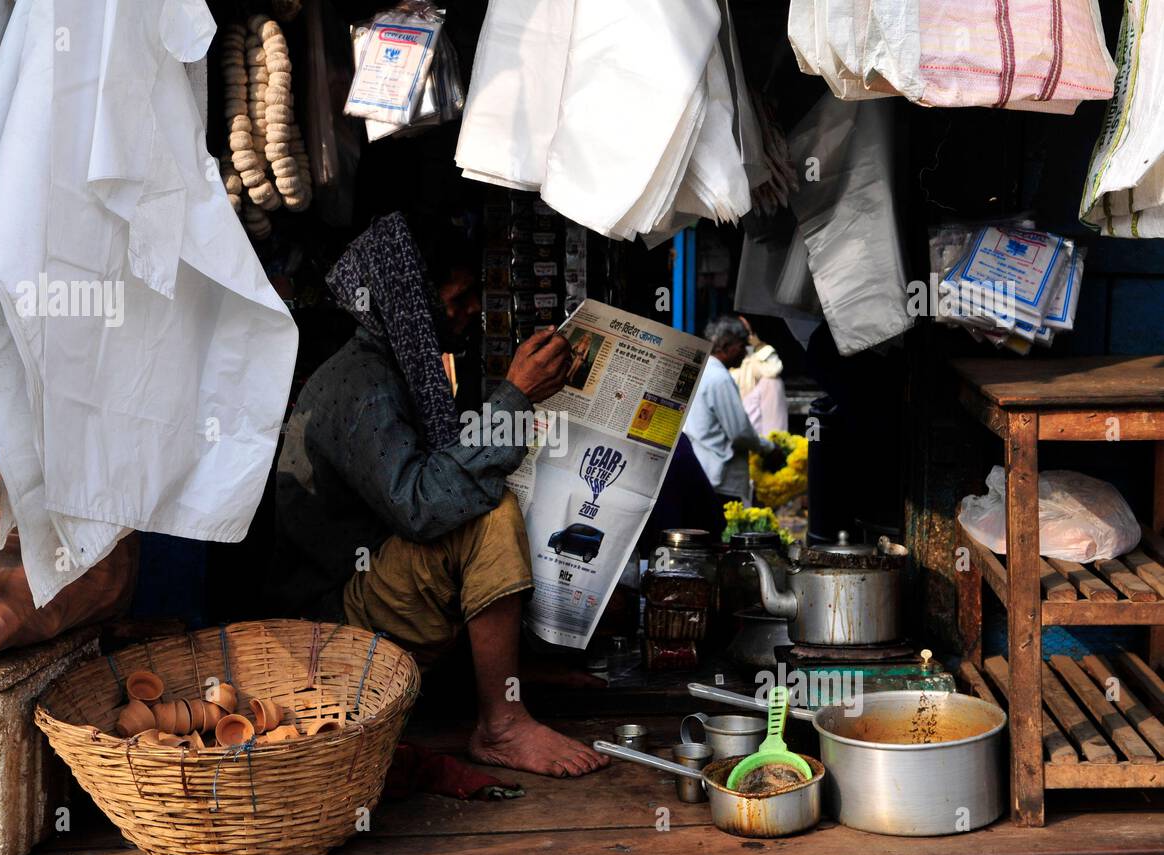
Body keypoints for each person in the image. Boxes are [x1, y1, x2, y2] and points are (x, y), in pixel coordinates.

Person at [268, 213, 610, 779]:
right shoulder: (361, 382)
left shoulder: (399, 369)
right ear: (414, 304)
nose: (473, 309)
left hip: (371, 585)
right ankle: (500, 723)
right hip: (329, 625)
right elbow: (423, 507)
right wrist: (517, 395)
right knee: (489, 512)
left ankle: (504, 673)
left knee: (489, 495)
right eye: (459, 297)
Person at [682, 316, 787, 503]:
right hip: (722, 479)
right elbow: (740, 433)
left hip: (704, 471)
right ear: (725, 346)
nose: (744, 353)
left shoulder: (701, 370)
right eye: (741, 346)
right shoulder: (719, 378)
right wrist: (769, 448)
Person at [729, 317, 789, 438]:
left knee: (773, 382)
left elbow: (774, 369)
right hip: (730, 418)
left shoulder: (752, 353)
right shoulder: (718, 359)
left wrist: (755, 345)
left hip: (751, 414)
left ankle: (776, 443)